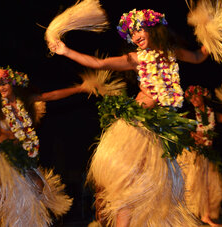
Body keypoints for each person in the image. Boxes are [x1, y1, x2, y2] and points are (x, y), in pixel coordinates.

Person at [49, 8, 208, 227]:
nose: (135, 37)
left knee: (158, 185)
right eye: (132, 34)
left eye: (139, 30)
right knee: (129, 179)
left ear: (153, 29)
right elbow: (99, 63)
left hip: (163, 129)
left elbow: (199, 56)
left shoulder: (172, 53)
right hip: (139, 125)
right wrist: (65, 51)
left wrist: (211, 35)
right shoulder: (135, 58)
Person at [0, 66, 89, 226]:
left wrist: (79, 89)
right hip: (3, 157)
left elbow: (51, 96)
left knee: (38, 186)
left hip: (22, 155)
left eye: (4, 83)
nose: (1, 88)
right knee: (1, 200)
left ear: (13, 83)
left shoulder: (25, 99)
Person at [177, 84, 222, 227]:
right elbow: (183, 129)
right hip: (195, 155)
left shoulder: (213, 114)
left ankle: (206, 216)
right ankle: (190, 216)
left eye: (195, 97)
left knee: (210, 186)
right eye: (191, 98)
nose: (193, 100)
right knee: (194, 186)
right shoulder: (190, 115)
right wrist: (192, 135)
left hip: (209, 154)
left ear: (202, 96)